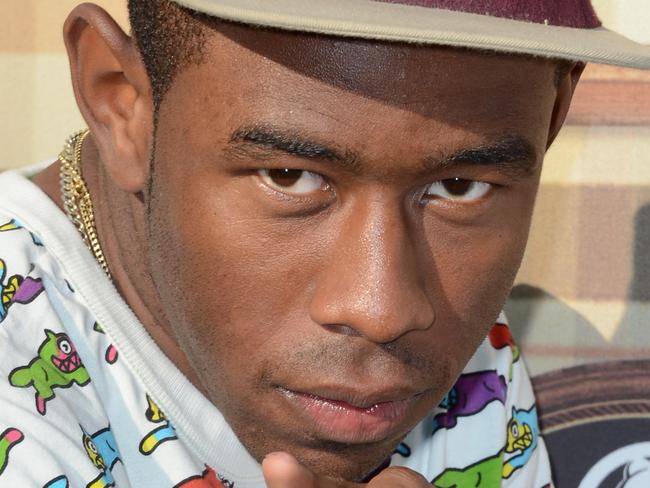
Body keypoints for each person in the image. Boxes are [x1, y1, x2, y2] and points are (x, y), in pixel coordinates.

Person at [0, 1, 648, 487]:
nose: (383, 309)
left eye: (457, 186)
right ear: (122, 107)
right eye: (290, 176)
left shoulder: (467, 356)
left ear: (555, 113)